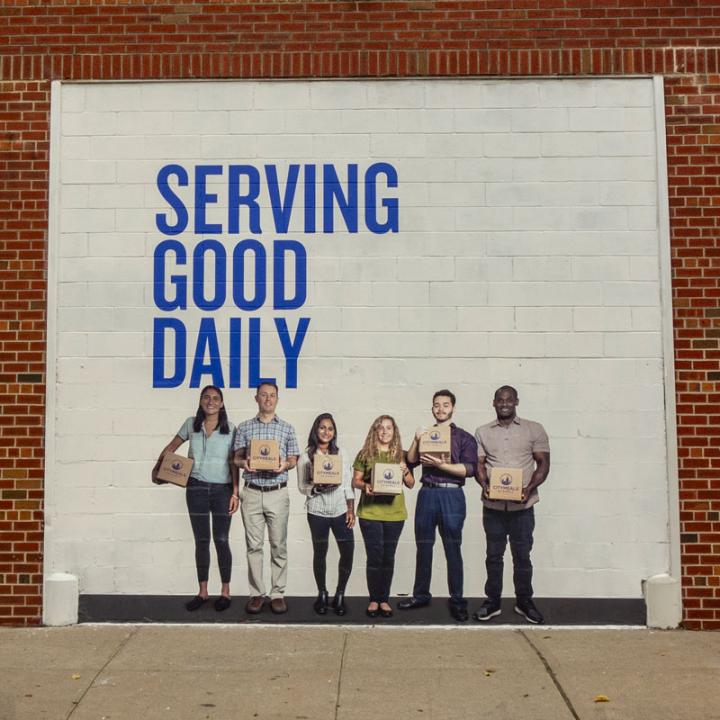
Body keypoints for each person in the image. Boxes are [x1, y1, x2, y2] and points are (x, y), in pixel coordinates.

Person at [153, 385, 239, 612]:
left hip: (222, 490)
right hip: (196, 489)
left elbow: (233, 463)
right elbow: (171, 447)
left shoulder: (230, 429)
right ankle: (202, 592)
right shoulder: (191, 424)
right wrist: (159, 466)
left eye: (215, 398)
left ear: (221, 404)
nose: (211, 401)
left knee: (221, 540)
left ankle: (225, 592)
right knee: (201, 540)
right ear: (201, 401)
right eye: (206, 398)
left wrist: (235, 493)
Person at [398, 389, 477, 622]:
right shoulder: (427, 434)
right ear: (432, 408)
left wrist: (441, 465)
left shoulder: (464, 437)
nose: (440, 409)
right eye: (436, 405)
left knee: (453, 548)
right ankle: (421, 595)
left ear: (453, 408)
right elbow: (411, 461)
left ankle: (457, 600)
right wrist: (416, 438)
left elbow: (469, 469)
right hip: (427, 494)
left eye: (445, 405)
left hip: (452, 495)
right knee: (423, 547)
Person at [473, 385, 550, 624]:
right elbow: (479, 465)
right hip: (493, 507)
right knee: (493, 556)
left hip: (523, 508)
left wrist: (529, 489)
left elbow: (544, 464)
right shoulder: (482, 432)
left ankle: (524, 602)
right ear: (493, 403)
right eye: (500, 400)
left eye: (509, 399)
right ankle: (492, 601)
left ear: (516, 401)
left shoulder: (534, 429)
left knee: (522, 556)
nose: (504, 403)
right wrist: (484, 485)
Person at [233, 382, 300, 615]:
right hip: (252, 492)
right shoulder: (244, 428)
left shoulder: (288, 429)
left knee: (278, 545)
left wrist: (285, 465)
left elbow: (293, 459)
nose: (268, 399)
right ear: (256, 398)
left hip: (277, 492)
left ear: (277, 399)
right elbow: (236, 459)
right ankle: (256, 594)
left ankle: (278, 593)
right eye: (264, 395)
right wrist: (245, 463)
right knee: (254, 546)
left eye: (272, 396)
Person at [352, 415, 415, 618]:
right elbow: (355, 481)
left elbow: (411, 483)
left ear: (394, 432)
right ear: (374, 431)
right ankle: (373, 599)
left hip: (395, 514)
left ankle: (384, 599)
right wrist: (366, 486)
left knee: (388, 556)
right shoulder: (365, 454)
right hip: (370, 512)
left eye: (389, 428)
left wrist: (405, 471)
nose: (385, 432)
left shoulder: (401, 455)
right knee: (374, 556)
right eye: (380, 428)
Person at [297, 413, 355, 616]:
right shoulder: (306, 456)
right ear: (316, 430)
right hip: (317, 511)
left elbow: (348, 484)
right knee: (320, 553)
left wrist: (350, 509)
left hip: (340, 510)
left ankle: (340, 594)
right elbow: (302, 487)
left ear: (334, 432)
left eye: (330, 428)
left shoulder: (342, 454)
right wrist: (318, 487)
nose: (326, 432)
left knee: (347, 552)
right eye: (322, 428)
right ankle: (322, 593)